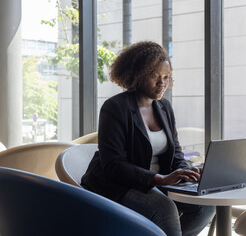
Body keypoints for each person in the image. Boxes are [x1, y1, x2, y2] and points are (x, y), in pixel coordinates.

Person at [81, 41, 215, 236]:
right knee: (165, 208)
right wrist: (158, 179)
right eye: (155, 76)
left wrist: (187, 172)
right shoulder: (115, 108)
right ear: (137, 76)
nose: (162, 83)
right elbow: (114, 165)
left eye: (166, 77)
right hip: (117, 185)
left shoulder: (164, 108)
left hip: (160, 183)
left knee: (205, 206)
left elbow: (175, 152)